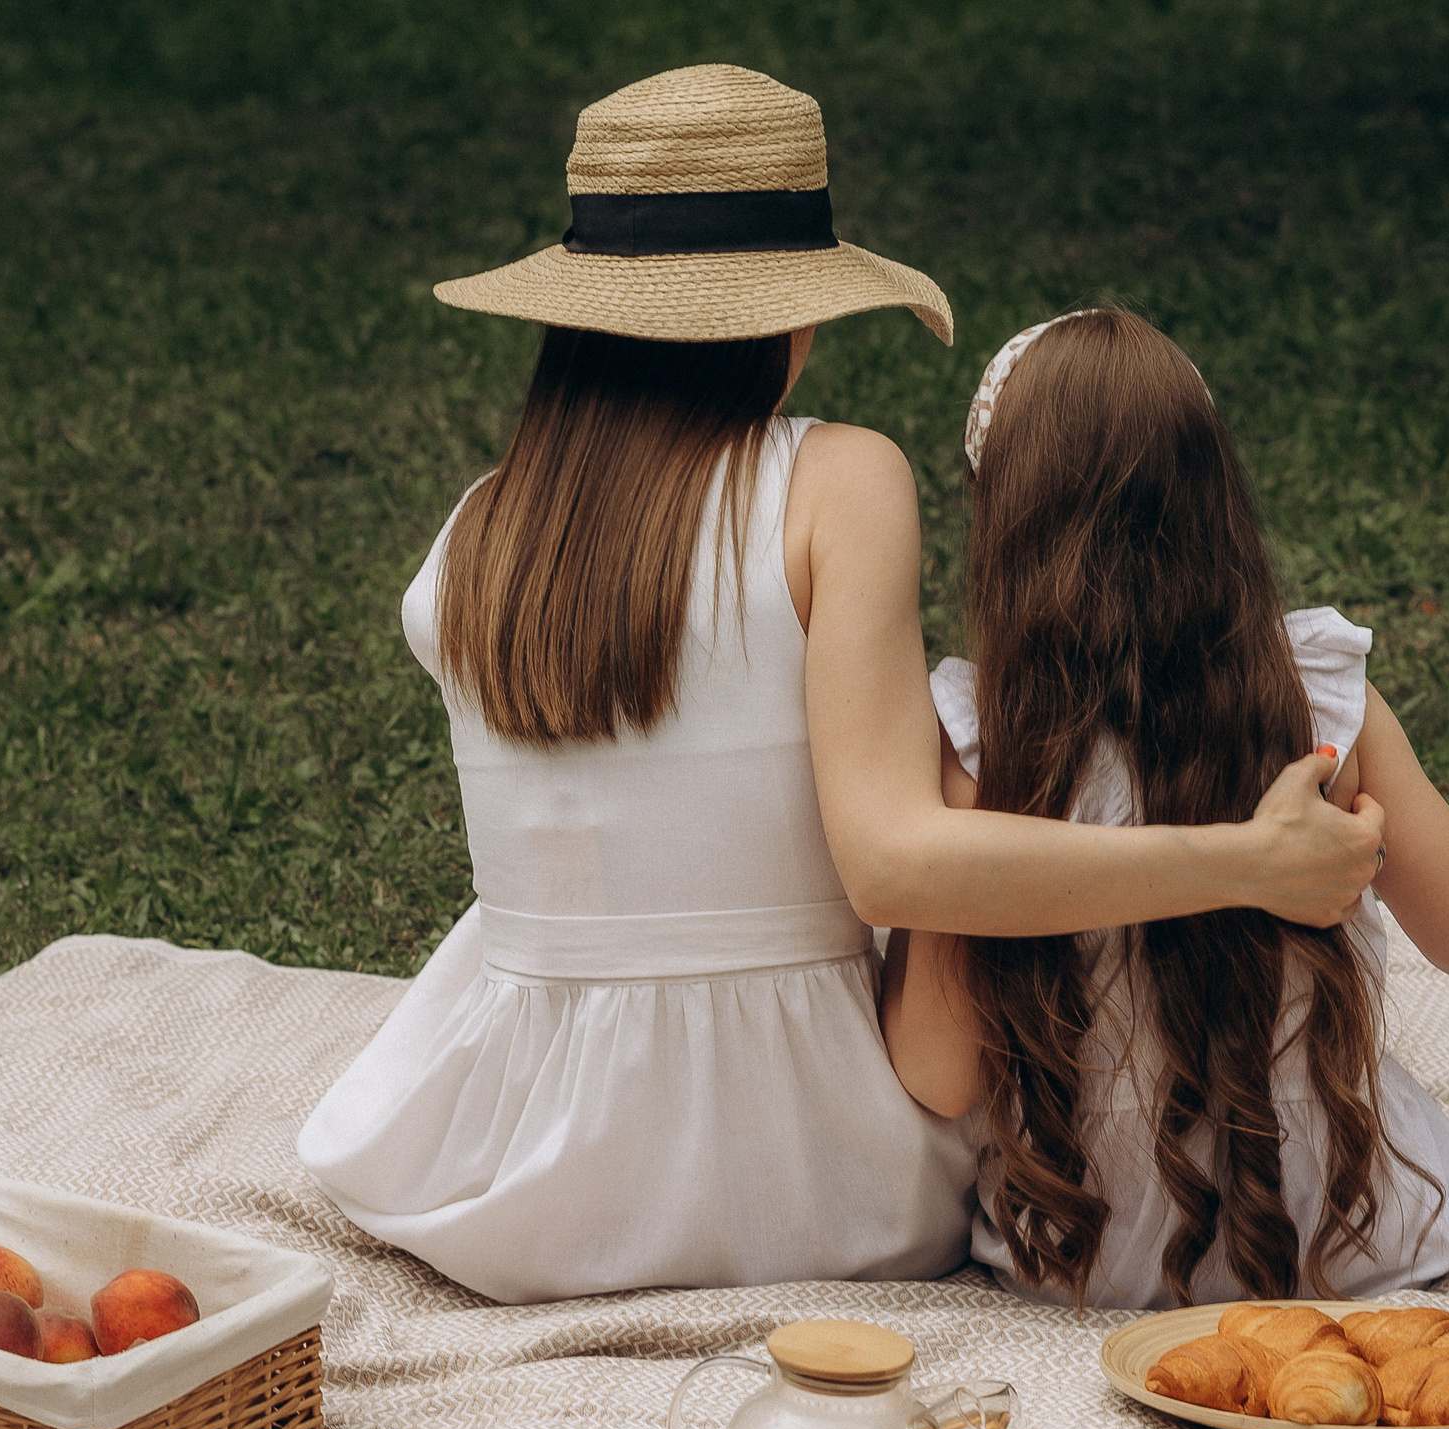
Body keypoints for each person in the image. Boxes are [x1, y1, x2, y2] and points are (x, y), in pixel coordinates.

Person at [297, 67, 1384, 1305]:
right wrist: (1244, 859)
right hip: (812, 1177)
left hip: (512, 1179)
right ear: (790, 315)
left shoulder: (478, 534)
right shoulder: (837, 480)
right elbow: (896, 863)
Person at [881, 307, 1449, 1311]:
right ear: (1215, 496)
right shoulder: (1317, 699)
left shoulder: (977, 746)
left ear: (998, 522)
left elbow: (940, 1072)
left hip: (1080, 1248)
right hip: (1339, 1230)